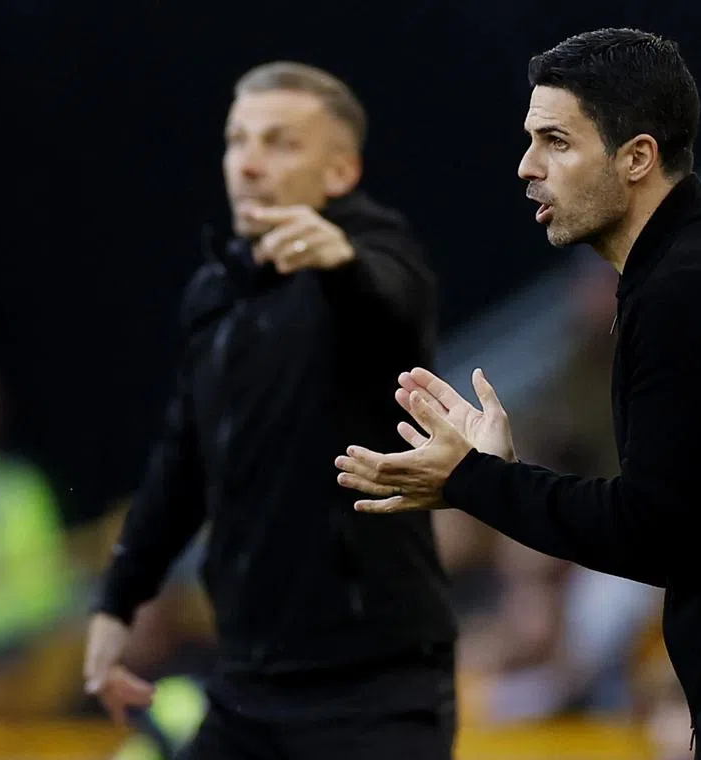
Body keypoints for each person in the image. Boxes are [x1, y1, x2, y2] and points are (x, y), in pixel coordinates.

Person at [335, 28, 701, 760]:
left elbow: (652, 530)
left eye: (555, 141)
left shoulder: (691, 290)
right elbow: (681, 524)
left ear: (638, 157)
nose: (526, 167)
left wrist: (478, 482)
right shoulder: (681, 275)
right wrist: (495, 481)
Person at [85, 61, 457, 760]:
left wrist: (342, 262)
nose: (249, 164)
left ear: (341, 172)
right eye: (238, 140)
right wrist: (117, 602)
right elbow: (181, 464)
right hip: (247, 688)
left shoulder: (378, 254)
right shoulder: (216, 292)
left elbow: (394, 308)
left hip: (374, 692)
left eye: (280, 143)